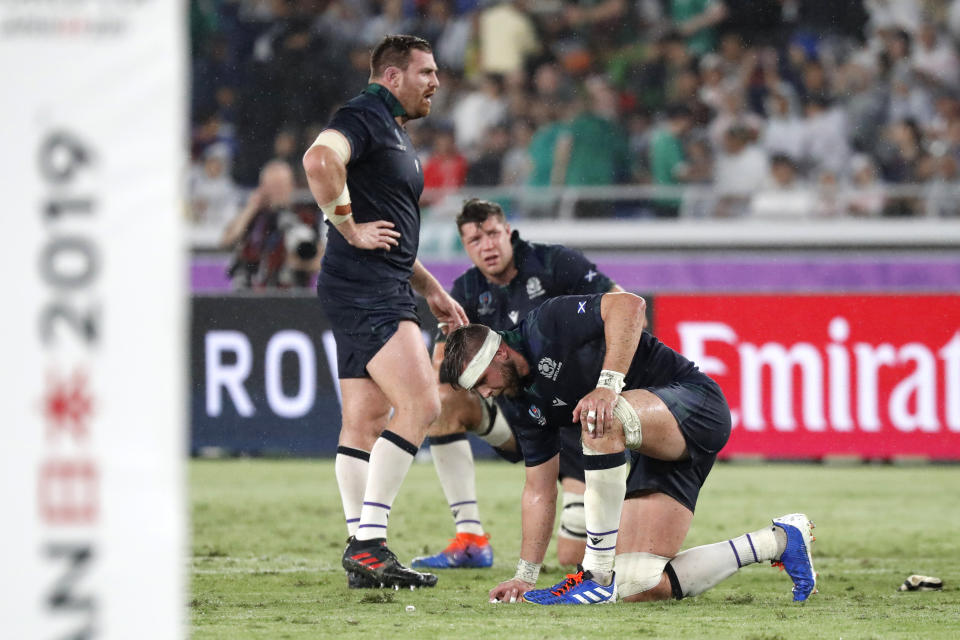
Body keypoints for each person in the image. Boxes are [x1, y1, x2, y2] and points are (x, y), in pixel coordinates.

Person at [439, 294, 817, 605]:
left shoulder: (545, 323)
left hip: (696, 406)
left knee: (598, 415)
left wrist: (607, 385)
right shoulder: (521, 403)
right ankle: (780, 540)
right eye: (475, 390)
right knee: (638, 585)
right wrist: (525, 577)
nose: (485, 393)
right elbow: (538, 490)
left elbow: (630, 305)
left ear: (500, 353)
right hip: (650, 444)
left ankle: (596, 574)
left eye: (481, 380)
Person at [302, 35, 468, 590]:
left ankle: (361, 550)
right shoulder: (364, 115)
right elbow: (319, 159)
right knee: (421, 404)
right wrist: (346, 225)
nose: (435, 82)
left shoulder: (392, 131)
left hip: (372, 283)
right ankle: (371, 543)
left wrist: (431, 288)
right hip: (368, 289)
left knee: (366, 420)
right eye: (425, 72)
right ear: (391, 76)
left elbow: (392, 228)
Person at [410, 199, 622, 571]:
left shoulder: (556, 264)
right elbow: (442, 365)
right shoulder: (466, 291)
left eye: (492, 233)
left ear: (508, 231)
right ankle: (470, 540)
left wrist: (610, 383)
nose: (487, 246)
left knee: (575, 559)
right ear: (465, 246)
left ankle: (632, 520)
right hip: (523, 422)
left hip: (582, 422)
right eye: (475, 240)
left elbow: (621, 305)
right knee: (442, 403)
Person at [221, 160, 321, 289]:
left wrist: (300, 263)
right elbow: (226, 242)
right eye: (273, 186)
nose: (278, 191)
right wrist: (251, 207)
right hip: (251, 294)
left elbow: (322, 260)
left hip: (291, 294)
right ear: (262, 188)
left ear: (291, 186)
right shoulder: (254, 217)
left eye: (282, 185)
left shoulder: (305, 217)